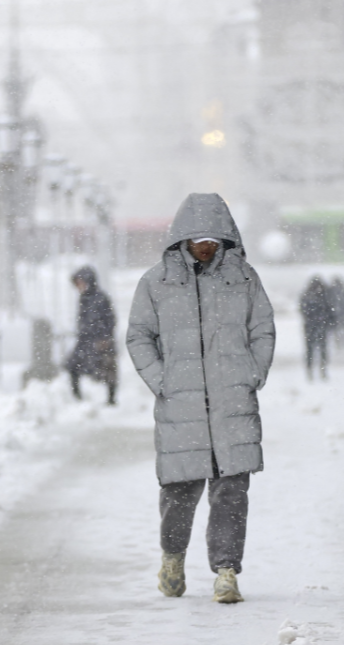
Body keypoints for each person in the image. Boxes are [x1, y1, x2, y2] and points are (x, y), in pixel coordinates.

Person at [127, 193, 275, 605]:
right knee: (178, 494)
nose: (206, 246)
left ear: (226, 237)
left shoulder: (244, 278)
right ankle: (173, 559)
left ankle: (226, 572)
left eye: (213, 238)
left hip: (233, 406)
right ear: (182, 239)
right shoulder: (156, 283)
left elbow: (262, 328)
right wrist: (162, 380)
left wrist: (253, 372)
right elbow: (139, 335)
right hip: (181, 408)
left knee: (231, 494)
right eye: (198, 239)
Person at [65, 265, 118, 405]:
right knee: (72, 366)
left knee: (107, 370)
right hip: (85, 341)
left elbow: (110, 319)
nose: (79, 286)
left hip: (101, 341)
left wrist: (105, 337)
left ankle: (111, 399)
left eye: (80, 282)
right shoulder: (83, 299)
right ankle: (77, 398)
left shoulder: (101, 298)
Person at [299, 276, 336, 382]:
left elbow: (330, 312)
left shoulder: (323, 297)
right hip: (314, 327)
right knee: (313, 350)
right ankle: (312, 370)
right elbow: (304, 310)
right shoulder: (314, 297)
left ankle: (320, 369)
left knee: (319, 350)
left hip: (318, 327)